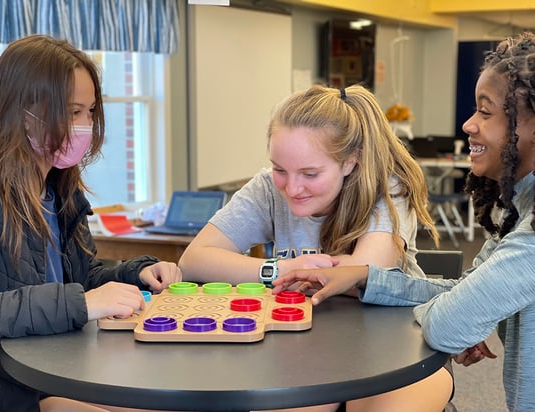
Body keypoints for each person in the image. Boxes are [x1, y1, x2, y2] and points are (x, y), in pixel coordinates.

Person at [272, 32, 535, 412]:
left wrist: (464, 316)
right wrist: (364, 279)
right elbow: (462, 291)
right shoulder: (516, 212)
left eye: (485, 111)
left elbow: (448, 324)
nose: (468, 124)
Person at [179, 84, 452, 411]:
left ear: (351, 161)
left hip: (397, 350)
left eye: (310, 173)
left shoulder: (387, 189)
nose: (292, 188)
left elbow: (361, 275)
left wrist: (328, 274)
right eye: (280, 169)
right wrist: (280, 270)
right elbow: (194, 259)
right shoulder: (268, 188)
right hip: (303, 348)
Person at [0, 35, 182, 412]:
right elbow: (75, 299)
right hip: (11, 389)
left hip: (62, 371)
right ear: (21, 111)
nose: (85, 126)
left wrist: (135, 275)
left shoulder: (61, 191)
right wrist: (79, 303)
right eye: (73, 112)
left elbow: (83, 279)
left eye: (90, 112)